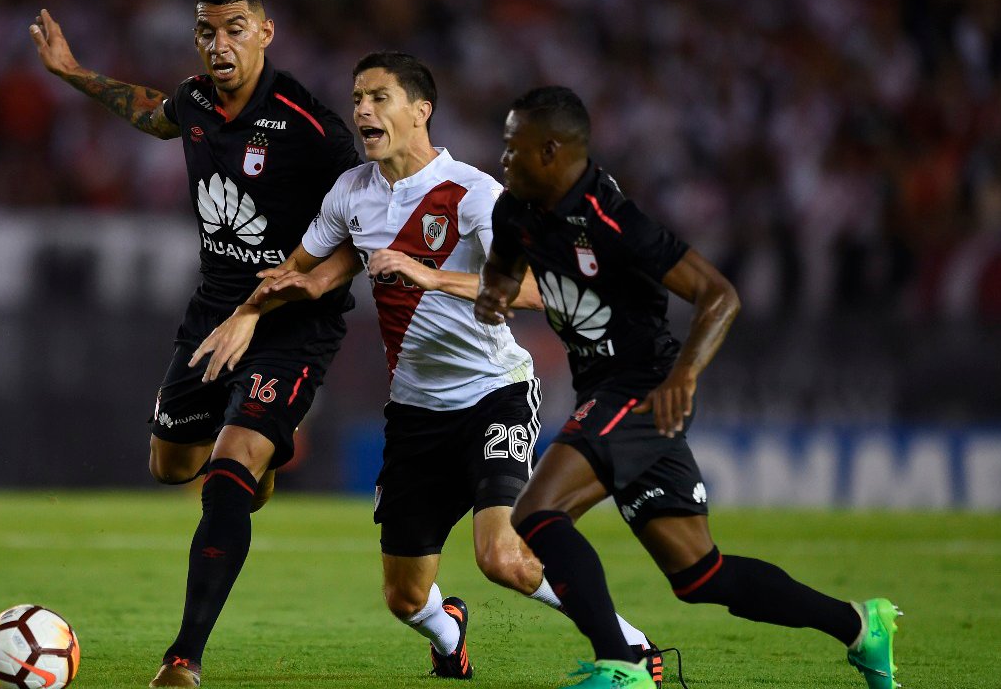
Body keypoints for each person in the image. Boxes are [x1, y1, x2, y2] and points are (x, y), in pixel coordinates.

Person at [191, 53, 663, 685]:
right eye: (357, 98)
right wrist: (250, 312)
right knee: (406, 597)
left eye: (378, 97)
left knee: (502, 556)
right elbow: (301, 270)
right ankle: (450, 633)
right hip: (416, 413)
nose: (362, 110)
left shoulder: (473, 193)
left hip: (494, 394)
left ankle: (632, 646)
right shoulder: (351, 193)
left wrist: (431, 276)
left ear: (421, 111)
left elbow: (538, 289)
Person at [474, 86, 901, 689]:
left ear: (550, 151)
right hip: (606, 390)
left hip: (645, 386)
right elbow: (502, 269)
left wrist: (684, 375)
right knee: (699, 574)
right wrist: (494, 293)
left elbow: (719, 294)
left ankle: (622, 665)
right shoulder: (515, 210)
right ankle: (860, 625)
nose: (503, 159)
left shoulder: (613, 220)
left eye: (513, 147)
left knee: (538, 511)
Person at [30, 0, 362, 687]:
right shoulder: (195, 100)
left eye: (235, 29)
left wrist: (299, 288)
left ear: (265, 33)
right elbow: (153, 114)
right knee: (170, 465)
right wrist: (72, 71)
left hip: (293, 324)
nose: (219, 44)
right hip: (213, 313)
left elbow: (363, 233)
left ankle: (183, 658)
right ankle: (252, 466)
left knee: (225, 475)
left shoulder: (311, 127)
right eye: (207, 31)